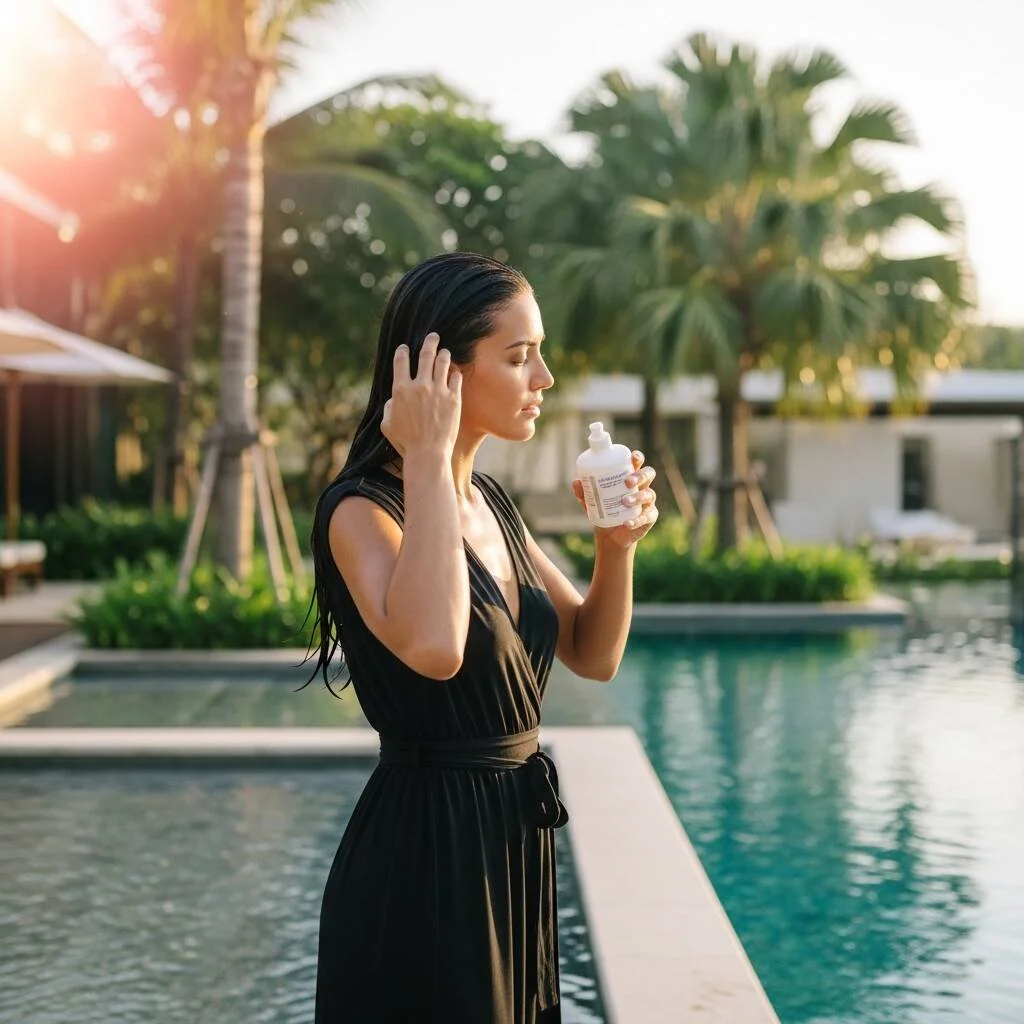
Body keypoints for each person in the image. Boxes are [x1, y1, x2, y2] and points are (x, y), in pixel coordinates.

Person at [307, 251, 659, 1023]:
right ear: (443, 371)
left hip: (512, 847)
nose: (544, 378)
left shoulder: (492, 503)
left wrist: (616, 546)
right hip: (424, 855)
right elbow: (436, 645)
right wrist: (427, 454)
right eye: (519, 355)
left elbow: (593, 655)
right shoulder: (360, 512)